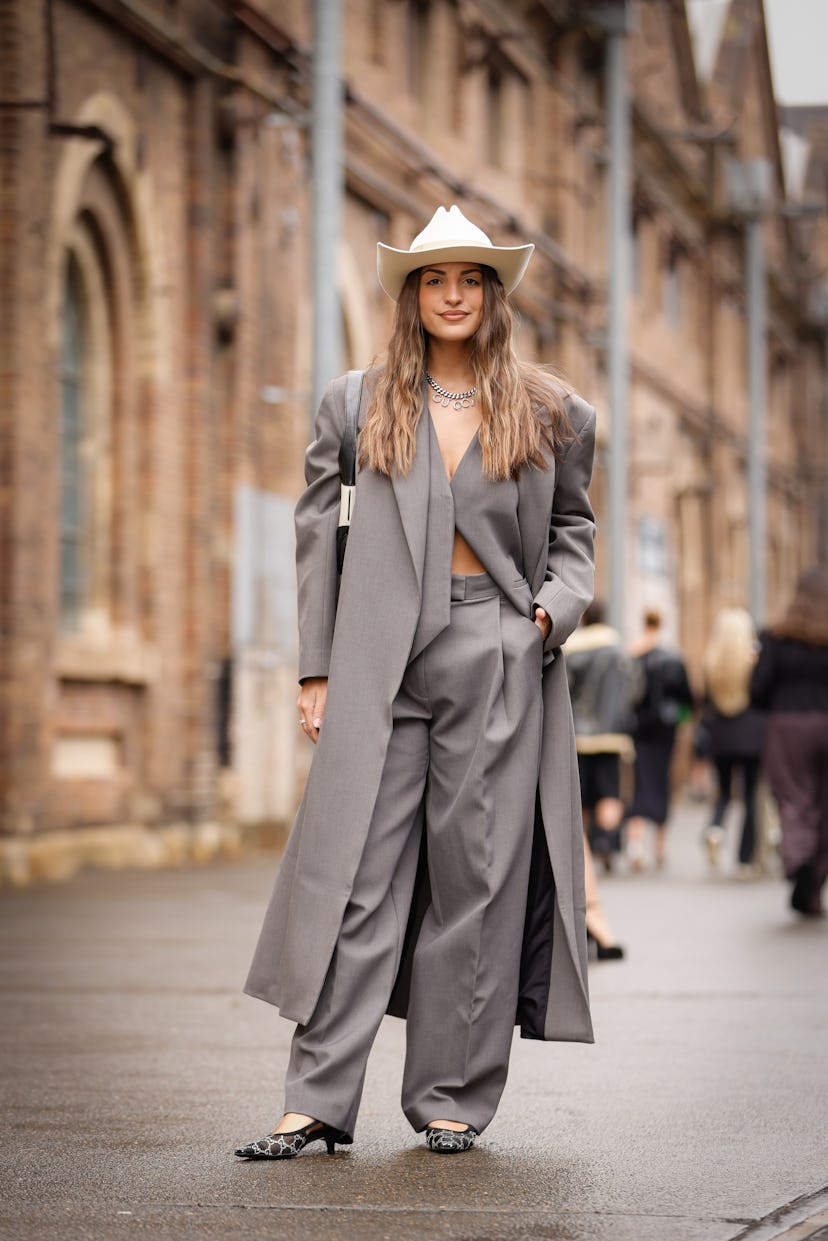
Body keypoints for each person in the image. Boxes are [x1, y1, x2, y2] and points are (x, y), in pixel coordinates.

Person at [236, 204, 597, 1160]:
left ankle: (449, 1097)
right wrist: (315, 666)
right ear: (410, 294)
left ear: (492, 294)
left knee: (475, 879)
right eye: (434, 279)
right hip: (375, 656)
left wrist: (548, 615)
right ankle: (316, 1099)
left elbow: (574, 535)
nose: (451, 295)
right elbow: (319, 540)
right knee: (355, 875)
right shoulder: (354, 404)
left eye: (470, 279)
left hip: (496, 646)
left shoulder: (552, 411)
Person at [751, 568, 828, 917]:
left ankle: (798, 857)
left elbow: (758, 689)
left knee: (795, 797)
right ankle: (813, 879)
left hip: (788, 726)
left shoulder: (775, 638)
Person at [565, 600, 640, 873]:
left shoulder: (572, 649)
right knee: (610, 792)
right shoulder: (619, 650)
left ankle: (583, 850)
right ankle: (607, 843)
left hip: (578, 737)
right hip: (612, 736)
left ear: (583, 616)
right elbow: (635, 691)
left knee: (580, 796)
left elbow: (564, 691)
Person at [625, 609, 693, 871]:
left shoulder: (633, 655)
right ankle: (660, 848)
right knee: (662, 781)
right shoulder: (673, 658)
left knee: (639, 781)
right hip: (665, 730)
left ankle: (635, 845)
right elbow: (687, 700)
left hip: (639, 728)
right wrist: (681, 719)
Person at [700, 607, 765, 874]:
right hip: (752, 735)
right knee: (750, 795)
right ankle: (745, 859)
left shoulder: (710, 662)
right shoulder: (754, 659)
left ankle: (715, 829)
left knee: (724, 791)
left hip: (721, 736)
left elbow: (704, 701)